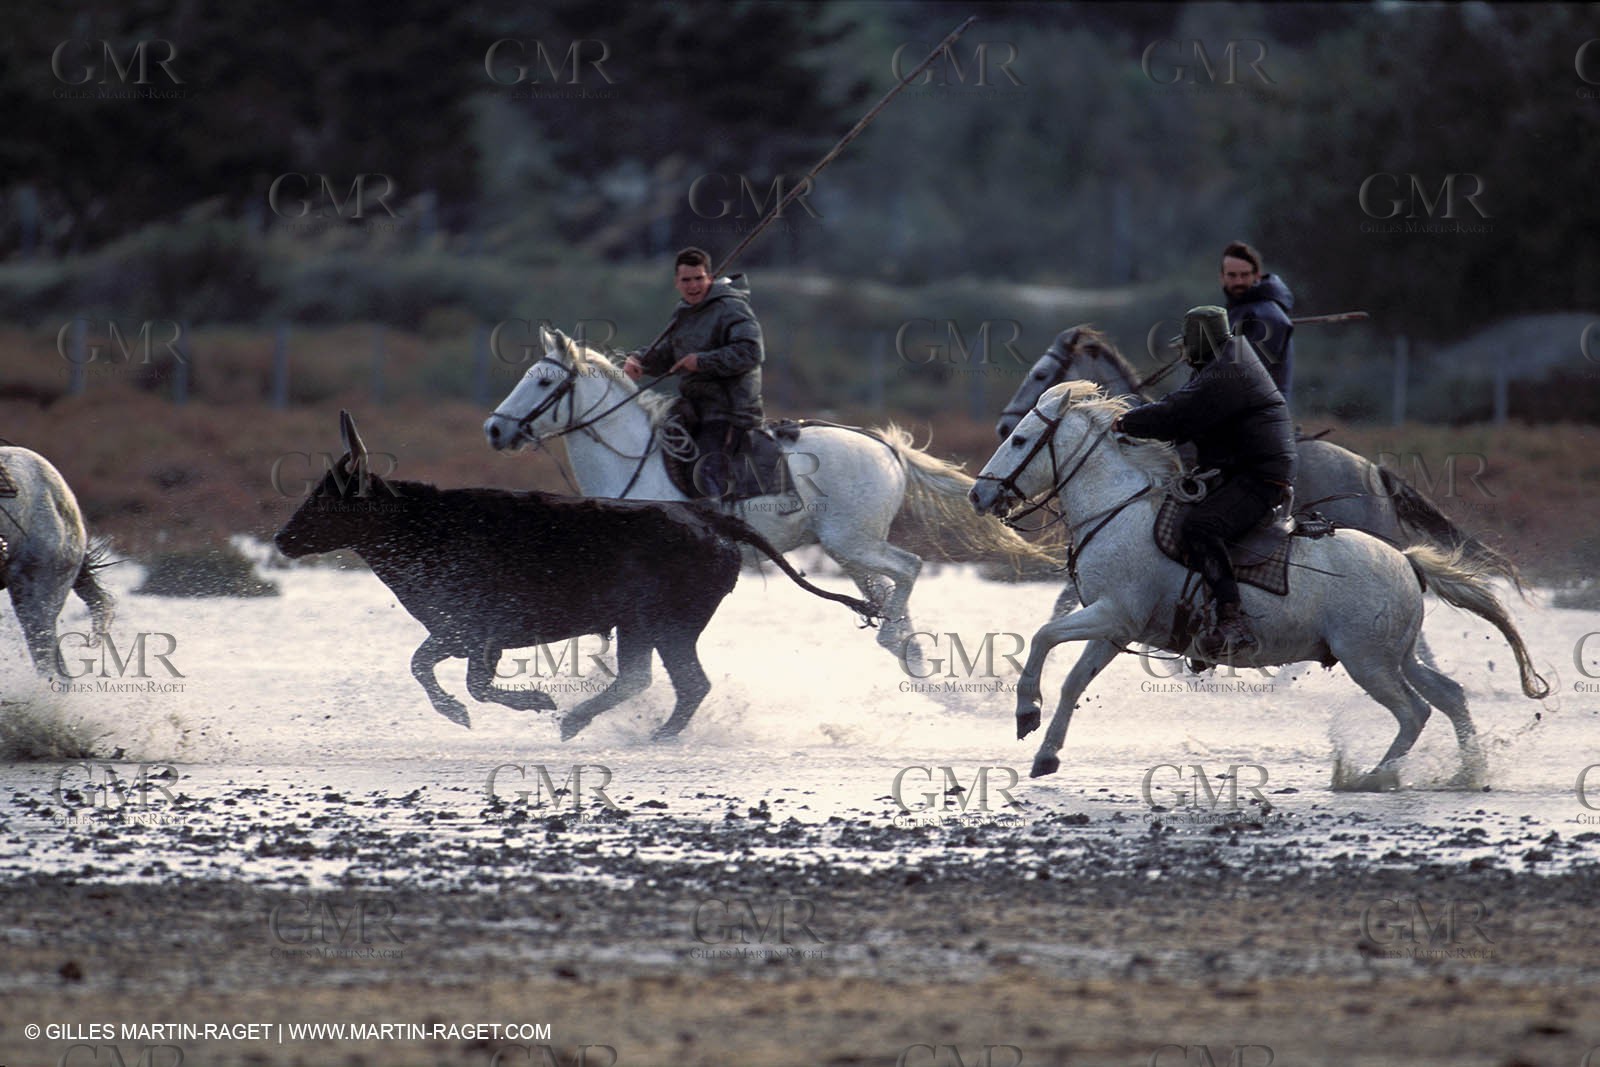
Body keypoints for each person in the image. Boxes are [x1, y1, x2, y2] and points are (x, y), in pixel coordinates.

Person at [1111, 306, 1296, 657]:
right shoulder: (1226, 360)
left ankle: (1232, 620)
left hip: (1259, 476)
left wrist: (1125, 422)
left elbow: (1176, 413)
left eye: (1186, 344)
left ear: (1200, 342)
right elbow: (1180, 415)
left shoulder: (1225, 371)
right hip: (1241, 470)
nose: (1182, 352)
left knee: (1201, 527)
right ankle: (1197, 618)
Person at [623, 247, 765, 498]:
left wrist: (701, 362)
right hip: (694, 407)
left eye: (699, 278)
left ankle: (715, 519)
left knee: (704, 476)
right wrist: (639, 360)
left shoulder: (731, 307)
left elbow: (751, 351)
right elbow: (668, 353)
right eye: (686, 280)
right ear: (676, 283)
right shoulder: (684, 313)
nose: (693, 286)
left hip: (729, 410)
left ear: (709, 277)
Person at [1220, 240, 1295, 404]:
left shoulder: (1267, 314)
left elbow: (1246, 378)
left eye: (1245, 275)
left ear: (1257, 276)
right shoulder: (1238, 311)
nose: (1238, 282)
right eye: (1232, 275)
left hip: (1259, 413)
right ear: (1222, 277)